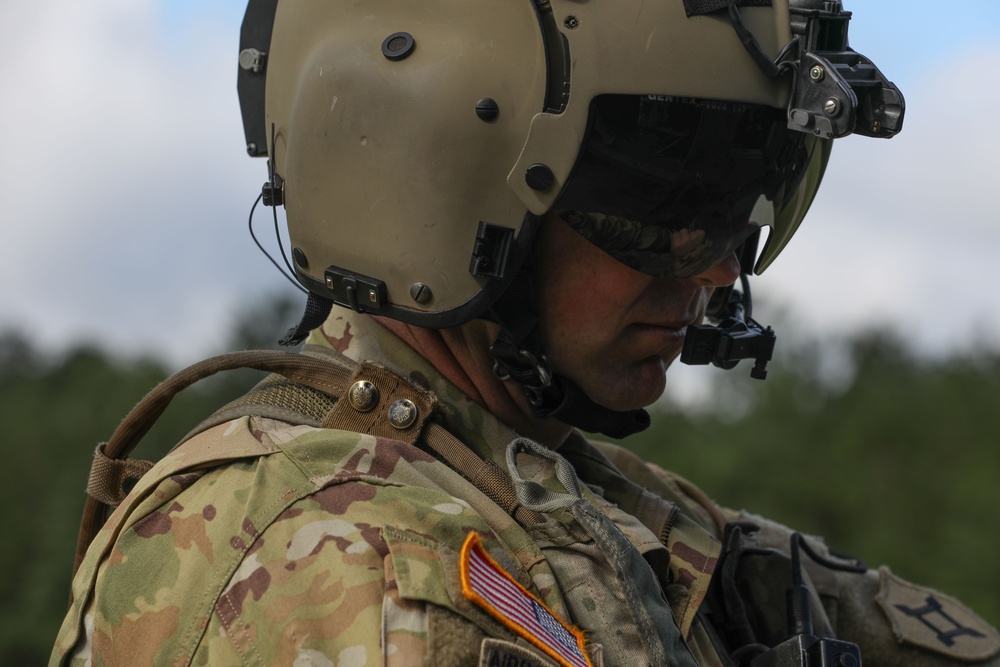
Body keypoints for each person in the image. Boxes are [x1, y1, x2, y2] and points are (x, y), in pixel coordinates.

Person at [50, 0, 998, 665]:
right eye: (670, 208)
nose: (718, 270)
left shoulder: (573, 493)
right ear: (441, 177)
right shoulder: (344, 563)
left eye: (741, 204)